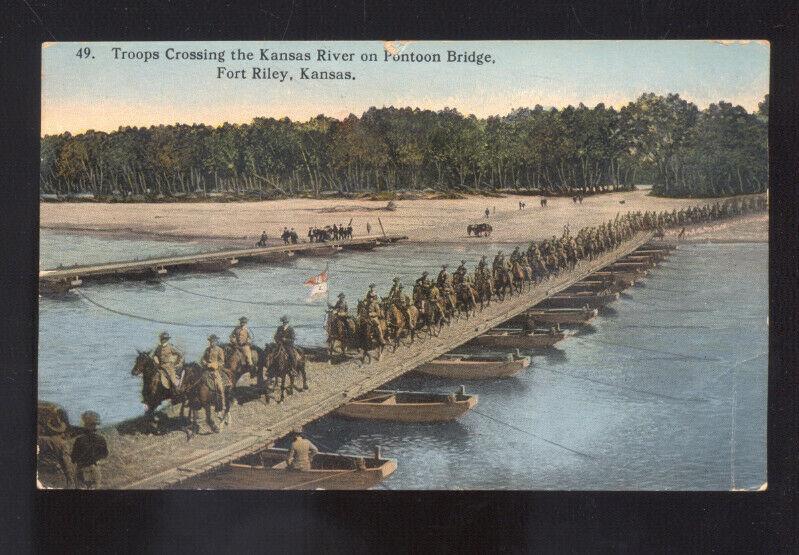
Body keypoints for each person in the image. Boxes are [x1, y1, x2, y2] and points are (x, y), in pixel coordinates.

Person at [70, 411, 108, 489]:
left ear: (85, 425)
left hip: (81, 469)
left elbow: (73, 458)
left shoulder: (79, 440)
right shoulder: (101, 439)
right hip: (94, 468)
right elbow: (105, 454)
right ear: (95, 425)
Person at [201, 334, 226, 412]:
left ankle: (223, 403)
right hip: (206, 370)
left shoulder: (219, 350)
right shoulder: (207, 350)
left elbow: (222, 362)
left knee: (220, 387)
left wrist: (213, 365)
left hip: (215, 370)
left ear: (216, 341)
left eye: (213, 341)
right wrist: (204, 363)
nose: (212, 343)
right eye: (211, 341)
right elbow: (202, 359)